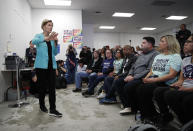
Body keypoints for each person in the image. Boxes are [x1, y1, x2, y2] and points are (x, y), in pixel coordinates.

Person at [137, 35, 182, 122]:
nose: (159, 43)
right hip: (153, 79)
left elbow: (172, 75)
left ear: (169, 43)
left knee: (146, 89)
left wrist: (152, 80)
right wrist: (146, 79)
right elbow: (151, 71)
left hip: (165, 81)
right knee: (139, 88)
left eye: (162, 41)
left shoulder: (175, 56)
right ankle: (148, 113)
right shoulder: (158, 56)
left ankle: (152, 115)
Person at [153, 34, 193, 125]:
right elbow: (181, 80)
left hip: (190, 89)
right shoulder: (186, 60)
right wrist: (176, 84)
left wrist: (186, 89)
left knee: (185, 99)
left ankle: (187, 123)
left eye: (189, 42)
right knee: (159, 91)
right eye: (185, 41)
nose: (185, 44)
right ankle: (168, 117)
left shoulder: (177, 57)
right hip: (184, 87)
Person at [115, 37, 159, 115]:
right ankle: (127, 106)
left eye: (144, 43)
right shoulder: (141, 54)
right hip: (133, 75)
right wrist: (130, 74)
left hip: (142, 77)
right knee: (118, 81)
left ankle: (133, 107)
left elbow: (149, 70)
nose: (141, 44)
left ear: (150, 44)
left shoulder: (155, 54)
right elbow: (133, 66)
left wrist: (134, 77)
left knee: (128, 86)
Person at [32, 19, 62, 117]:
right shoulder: (39, 36)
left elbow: (55, 53)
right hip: (41, 66)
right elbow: (33, 42)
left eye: (52, 25)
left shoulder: (52, 39)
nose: (51, 27)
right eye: (49, 25)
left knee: (52, 88)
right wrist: (46, 38)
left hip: (51, 66)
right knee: (42, 87)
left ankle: (53, 109)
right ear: (44, 26)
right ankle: (42, 105)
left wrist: (56, 42)